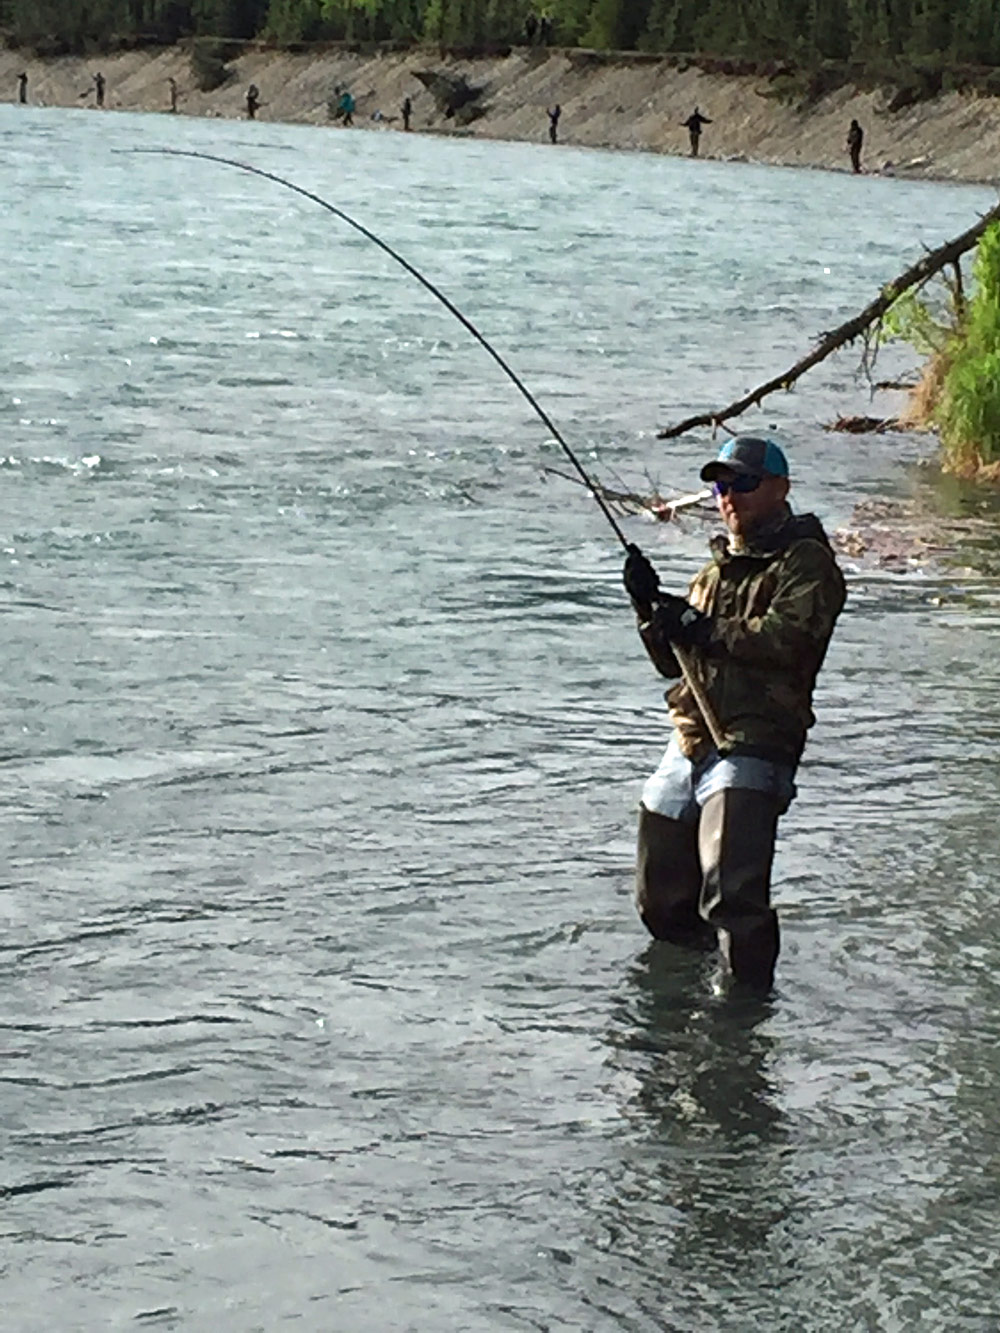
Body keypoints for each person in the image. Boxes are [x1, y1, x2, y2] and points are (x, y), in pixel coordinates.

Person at [622, 435, 846, 991]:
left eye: (742, 484)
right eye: (721, 486)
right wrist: (650, 608)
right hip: (693, 737)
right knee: (659, 894)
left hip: (755, 738)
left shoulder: (808, 563)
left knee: (733, 895)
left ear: (779, 488)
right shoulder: (714, 572)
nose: (729, 497)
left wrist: (700, 629)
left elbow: (786, 640)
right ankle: (690, 992)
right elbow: (671, 663)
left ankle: (742, 1016)